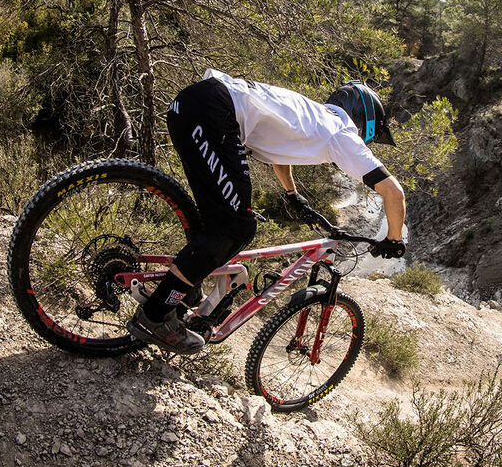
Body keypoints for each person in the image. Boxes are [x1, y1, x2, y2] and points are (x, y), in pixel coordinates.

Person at [126, 68, 407, 353]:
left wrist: (292, 194)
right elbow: (393, 192)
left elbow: (280, 154)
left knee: (217, 220)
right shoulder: (343, 134)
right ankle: (154, 315)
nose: (367, 143)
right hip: (215, 113)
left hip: (191, 104)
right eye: (369, 137)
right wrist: (394, 241)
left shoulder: (313, 116)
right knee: (236, 228)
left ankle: (180, 293)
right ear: (365, 122)